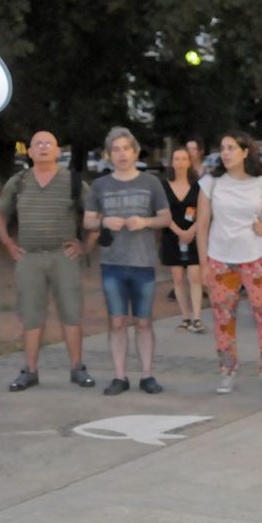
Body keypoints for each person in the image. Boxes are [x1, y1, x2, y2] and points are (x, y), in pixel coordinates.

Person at [194, 131, 262, 393]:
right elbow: (202, 225)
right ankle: (228, 370)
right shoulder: (211, 183)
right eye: (223, 148)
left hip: (258, 258)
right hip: (221, 258)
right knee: (223, 317)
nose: (226, 153)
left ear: (245, 152)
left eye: (232, 147)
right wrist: (203, 263)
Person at [0, 130, 97, 392]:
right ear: (28, 151)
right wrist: (8, 243)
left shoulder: (72, 181)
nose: (42, 147)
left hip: (64, 257)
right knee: (30, 315)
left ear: (57, 150)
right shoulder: (19, 181)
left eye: (48, 143)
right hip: (30, 257)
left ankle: (77, 368)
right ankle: (30, 370)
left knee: (71, 313)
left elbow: (95, 214)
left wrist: (85, 245)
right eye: (37, 143)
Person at [83, 127, 171, 396]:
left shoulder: (151, 183)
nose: (121, 154)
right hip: (112, 263)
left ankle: (147, 374)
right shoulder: (100, 185)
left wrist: (144, 221)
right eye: (116, 150)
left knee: (144, 322)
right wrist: (103, 221)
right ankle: (119, 376)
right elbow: (87, 220)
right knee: (117, 322)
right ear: (109, 155)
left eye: (126, 149)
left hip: (143, 262)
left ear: (135, 152)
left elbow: (166, 218)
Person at [161, 145, 205, 332]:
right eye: (176, 159)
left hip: (194, 237)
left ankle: (197, 318)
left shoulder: (198, 186)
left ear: (189, 162)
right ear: (171, 162)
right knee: (178, 278)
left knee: (195, 276)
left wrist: (192, 231)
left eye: (183, 159)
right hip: (172, 236)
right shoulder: (163, 186)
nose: (180, 163)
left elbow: (204, 212)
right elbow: (161, 212)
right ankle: (185, 317)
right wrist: (179, 232)